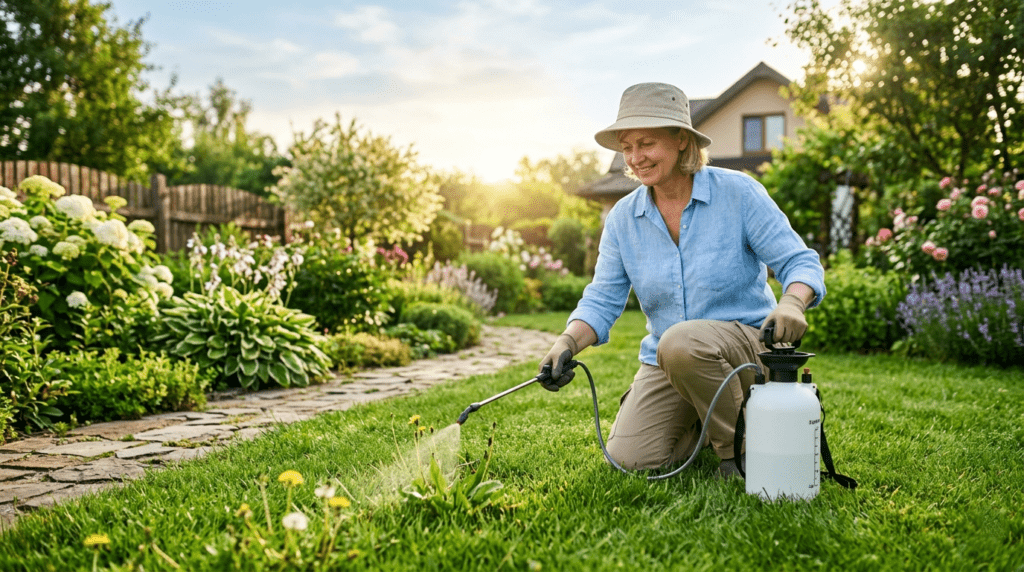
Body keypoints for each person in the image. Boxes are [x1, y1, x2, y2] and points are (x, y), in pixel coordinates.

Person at [538, 82, 826, 479]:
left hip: (741, 347)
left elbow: (800, 261)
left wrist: (792, 302)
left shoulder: (738, 193)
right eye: (627, 147)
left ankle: (738, 451)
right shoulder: (623, 217)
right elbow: (603, 298)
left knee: (682, 342)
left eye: (646, 143)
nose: (636, 158)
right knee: (632, 459)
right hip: (669, 358)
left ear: (681, 140)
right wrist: (567, 341)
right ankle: (709, 419)